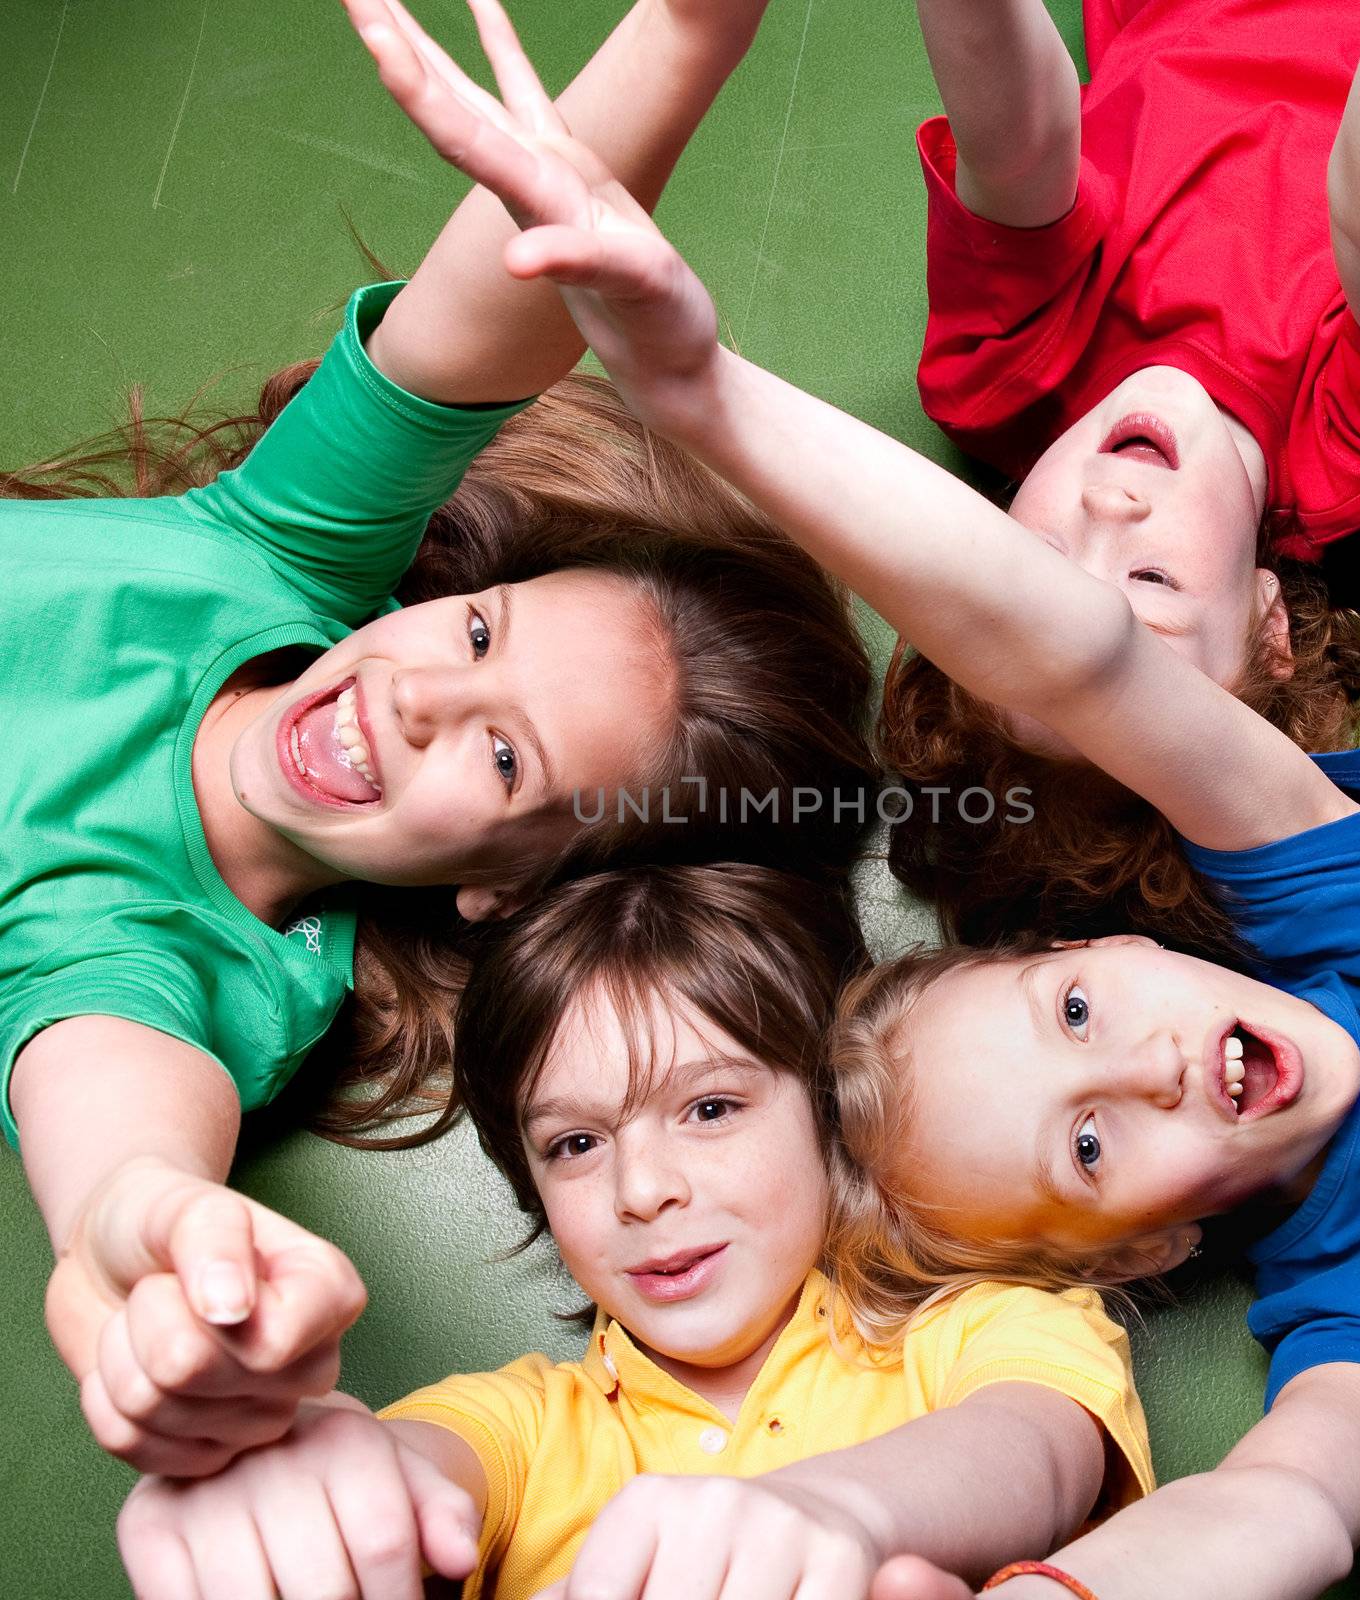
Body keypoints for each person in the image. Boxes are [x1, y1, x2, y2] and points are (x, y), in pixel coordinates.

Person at [349, 8, 1360, 1593]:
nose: (1143, 1073)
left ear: (1113, 948)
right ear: (1142, 1250)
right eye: (1085, 1152)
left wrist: (697, 384)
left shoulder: (1356, 894)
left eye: (1077, 1016)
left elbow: (1076, 658)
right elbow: (1282, 1503)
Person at [2, 0, 876, 1485]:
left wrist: (153, 1270)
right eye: (479, 635)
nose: (416, 697)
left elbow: (118, 1175)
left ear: (504, 885)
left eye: (508, 761)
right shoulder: (276, 555)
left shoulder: (176, 954)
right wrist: (688, 29)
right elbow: (489, 314)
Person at [115, 864, 1154, 1600]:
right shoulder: (520, 1426)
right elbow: (411, 1469)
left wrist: (838, 1513)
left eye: (710, 1109)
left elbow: (1034, 1450)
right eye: (574, 1144)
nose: (641, 1190)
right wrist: (315, 1486)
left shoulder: (983, 1331)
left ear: (828, 1113)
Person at [876, 0, 1360, 952]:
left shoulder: (1005, 369)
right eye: (1151, 583)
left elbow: (1017, 146)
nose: (1107, 505)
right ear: (1269, 627)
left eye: (1038, 560)